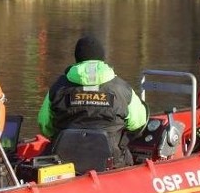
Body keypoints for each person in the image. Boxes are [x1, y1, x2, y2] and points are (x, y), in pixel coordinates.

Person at [37, 35, 148, 168]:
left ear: (77, 59)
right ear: (102, 59)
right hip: (112, 163)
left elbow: (44, 125)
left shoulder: (57, 88)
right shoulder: (122, 89)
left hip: (63, 162)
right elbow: (138, 123)